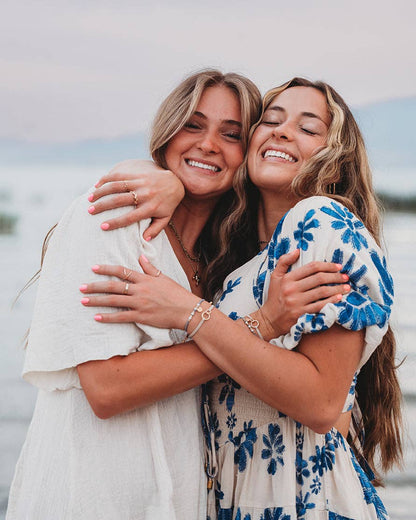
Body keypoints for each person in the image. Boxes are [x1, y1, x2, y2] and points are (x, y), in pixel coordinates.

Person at [7, 71, 347, 520]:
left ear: (249, 152)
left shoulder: (229, 259)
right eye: (192, 125)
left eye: (232, 134)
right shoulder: (114, 219)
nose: (208, 144)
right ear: (167, 132)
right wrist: (257, 328)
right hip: (87, 498)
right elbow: (106, 389)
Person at [83, 78, 403, 519]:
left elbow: (320, 403)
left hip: (302, 500)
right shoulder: (242, 261)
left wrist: (188, 311)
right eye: (270, 121)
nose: (283, 131)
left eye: (308, 129)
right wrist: (170, 182)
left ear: (335, 159)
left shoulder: (321, 219)